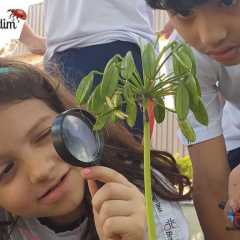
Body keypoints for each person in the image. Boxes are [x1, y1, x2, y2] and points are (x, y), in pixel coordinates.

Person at [0, 58, 191, 240]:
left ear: (76, 120)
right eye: (6, 169)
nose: (40, 171)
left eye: (44, 135)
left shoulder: (147, 190)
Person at [144, 0, 240, 239]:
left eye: (227, 1)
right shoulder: (184, 55)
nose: (210, 36)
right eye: (185, 12)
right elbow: (210, 181)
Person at [20, 0, 156, 136]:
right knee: (126, 150)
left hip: (63, 60)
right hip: (120, 50)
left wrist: (30, 39)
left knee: (75, 149)